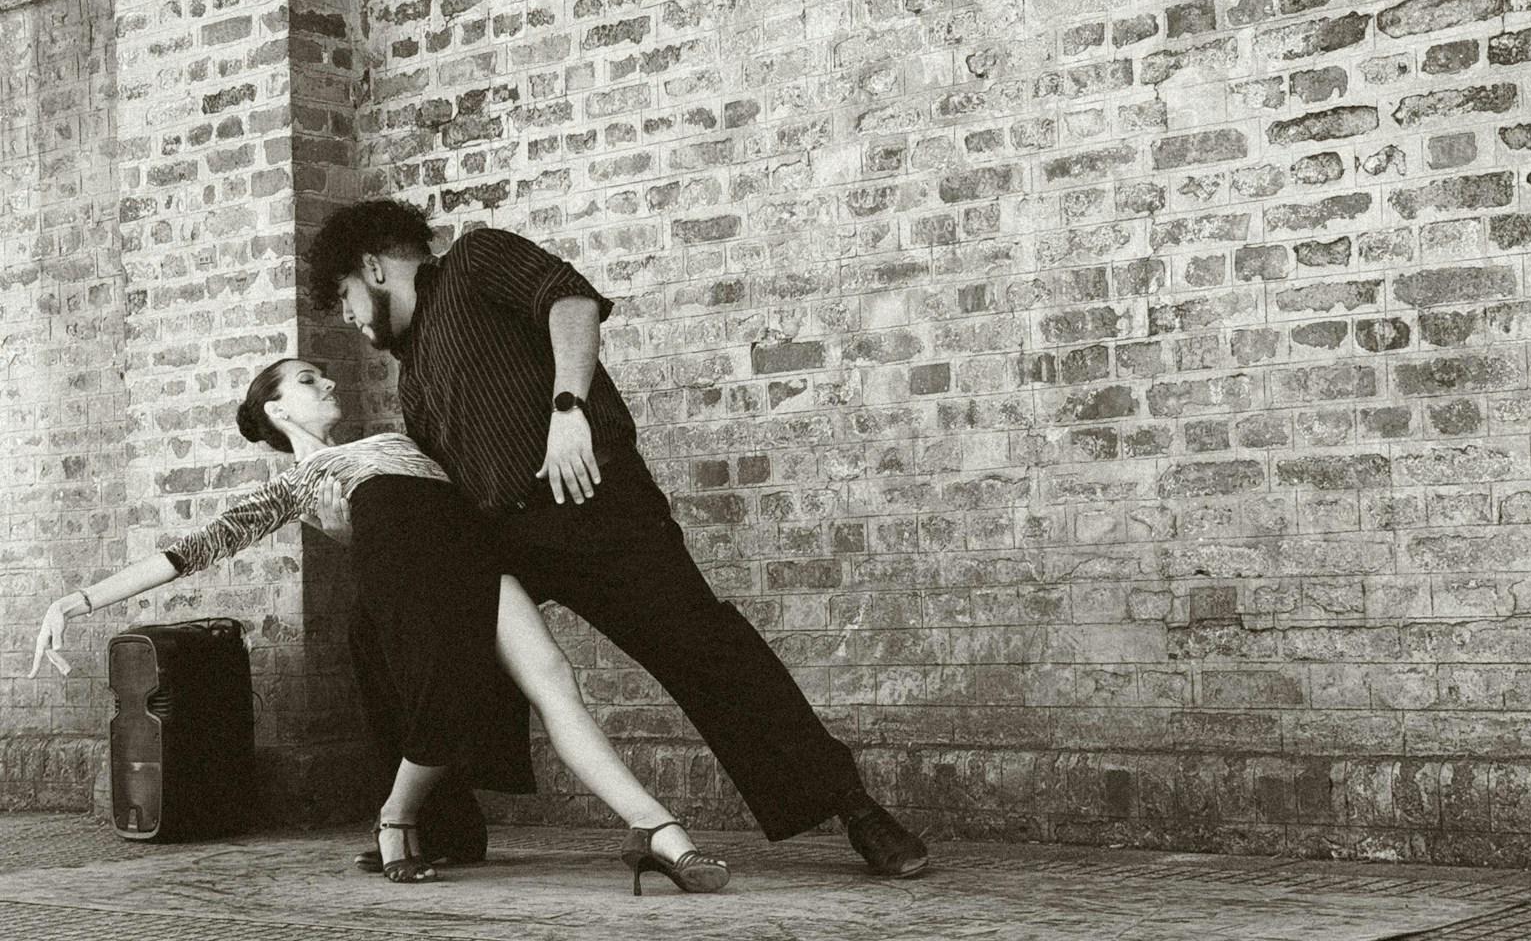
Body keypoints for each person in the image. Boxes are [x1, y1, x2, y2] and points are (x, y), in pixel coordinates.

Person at [306, 200, 930, 878]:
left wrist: (567, 409)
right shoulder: (416, 372)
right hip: (497, 535)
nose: (350, 319)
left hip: (590, 503)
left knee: (704, 648)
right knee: (380, 624)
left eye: (344, 298)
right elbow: (432, 496)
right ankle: (444, 826)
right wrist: (359, 534)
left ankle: (856, 810)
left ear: (373, 266)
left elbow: (567, 298)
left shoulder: (475, 261)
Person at [31, 358, 729, 894]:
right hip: (410, 591)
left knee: (557, 684)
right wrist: (76, 602)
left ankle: (659, 834)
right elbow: (187, 553)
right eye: (308, 381)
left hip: (475, 564)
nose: (328, 383)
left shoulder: (395, 437)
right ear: (277, 409)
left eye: (325, 374)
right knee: (443, 712)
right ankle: (397, 819)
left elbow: (456, 499)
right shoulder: (297, 486)